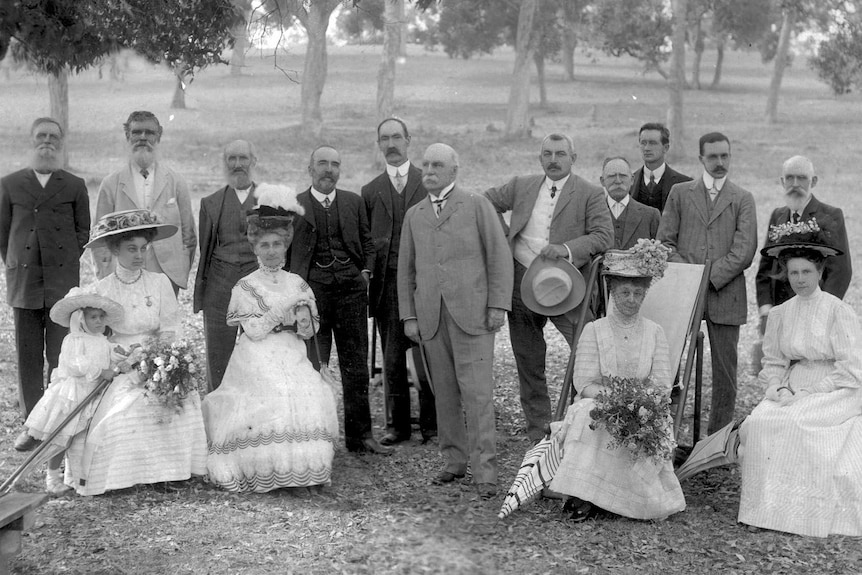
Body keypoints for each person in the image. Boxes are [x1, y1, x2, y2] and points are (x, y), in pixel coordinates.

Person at [203, 185, 339, 492]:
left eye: (278, 244)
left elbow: (310, 331)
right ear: (254, 247)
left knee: (306, 388)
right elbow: (252, 330)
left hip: (291, 350)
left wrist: (305, 322)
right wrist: (280, 310)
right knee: (273, 389)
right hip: (257, 353)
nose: (272, 251)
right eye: (265, 245)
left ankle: (304, 468)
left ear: (286, 245)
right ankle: (265, 467)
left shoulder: (298, 283)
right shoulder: (245, 286)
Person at [398, 143, 513, 499]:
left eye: (437, 165)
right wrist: (410, 315)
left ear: (454, 170)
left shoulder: (476, 205)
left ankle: (486, 471)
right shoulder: (415, 213)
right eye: (425, 165)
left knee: (477, 395)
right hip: (431, 318)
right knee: (444, 392)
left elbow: (499, 257)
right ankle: (454, 461)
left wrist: (497, 305)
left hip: (474, 316)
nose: (429, 171)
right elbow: (407, 270)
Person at [66, 209, 207, 495]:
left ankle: (170, 471)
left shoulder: (159, 283)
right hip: (121, 363)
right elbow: (94, 336)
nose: (139, 255)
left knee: (174, 400)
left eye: (144, 248)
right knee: (122, 414)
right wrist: (122, 359)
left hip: (159, 358)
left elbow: (170, 327)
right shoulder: (103, 289)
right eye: (131, 249)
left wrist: (163, 358)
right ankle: (124, 476)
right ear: (115, 249)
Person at [484, 133, 613, 443]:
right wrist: (505, 236)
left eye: (560, 154)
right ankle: (539, 427)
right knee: (528, 356)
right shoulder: (521, 185)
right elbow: (485, 201)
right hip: (521, 281)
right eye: (547, 154)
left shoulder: (589, 193)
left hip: (567, 285)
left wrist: (566, 248)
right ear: (540, 158)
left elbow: (603, 236)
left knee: (588, 350)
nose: (553, 160)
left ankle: (590, 422)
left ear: (573, 158)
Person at [738, 229, 862, 537]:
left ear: (820, 272)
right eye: (793, 272)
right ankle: (764, 509)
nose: (800, 279)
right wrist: (777, 387)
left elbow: (851, 369)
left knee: (796, 421)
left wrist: (811, 391)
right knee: (759, 422)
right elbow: (774, 362)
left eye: (807, 271)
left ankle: (800, 514)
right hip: (792, 384)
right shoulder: (781, 314)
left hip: (836, 388)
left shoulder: (839, 311)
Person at [549, 244, 685, 521]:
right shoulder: (594, 330)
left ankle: (624, 500)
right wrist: (615, 400)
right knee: (591, 416)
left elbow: (660, 383)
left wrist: (639, 402)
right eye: (625, 292)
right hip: (599, 399)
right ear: (612, 292)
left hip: (643, 405)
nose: (631, 299)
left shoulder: (654, 332)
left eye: (638, 293)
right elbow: (584, 382)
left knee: (647, 423)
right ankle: (585, 495)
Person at [289, 145, 391, 455]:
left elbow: (368, 244)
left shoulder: (353, 202)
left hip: (351, 292)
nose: (329, 169)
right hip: (312, 295)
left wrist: (365, 272)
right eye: (322, 163)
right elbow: (288, 252)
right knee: (311, 365)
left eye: (335, 164)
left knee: (356, 365)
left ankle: (361, 438)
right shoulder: (296, 205)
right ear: (311, 168)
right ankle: (313, 438)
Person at [0, 117, 90, 452]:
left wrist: (63, 262)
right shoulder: (10, 184)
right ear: (31, 140)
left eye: (53, 137)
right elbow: (3, 233)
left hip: (62, 282)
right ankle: (31, 423)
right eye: (41, 136)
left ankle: (55, 421)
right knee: (27, 354)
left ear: (62, 143)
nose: (47, 142)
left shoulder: (74, 184)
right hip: (24, 280)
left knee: (59, 353)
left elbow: (83, 232)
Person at [658, 132, 757, 434]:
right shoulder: (680, 193)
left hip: (725, 295)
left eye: (725, 156)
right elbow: (665, 242)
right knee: (669, 366)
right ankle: (661, 437)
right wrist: (688, 277)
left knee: (725, 374)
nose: (719, 163)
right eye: (713, 157)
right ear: (701, 158)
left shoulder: (742, 199)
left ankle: (716, 445)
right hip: (683, 295)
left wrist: (707, 279)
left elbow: (744, 251)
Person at [361, 117, 436, 445]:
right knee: (392, 357)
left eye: (396, 137)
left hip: (426, 283)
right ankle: (398, 426)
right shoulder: (370, 190)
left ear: (408, 141)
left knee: (429, 353)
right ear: (378, 145)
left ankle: (433, 425)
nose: (391, 144)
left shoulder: (428, 182)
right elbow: (366, 241)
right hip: (388, 285)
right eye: (384, 139)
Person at [24, 287, 125, 493]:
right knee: (62, 436)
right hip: (74, 394)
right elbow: (74, 366)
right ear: (80, 320)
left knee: (79, 437)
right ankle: (50, 476)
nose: (99, 321)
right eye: (93, 317)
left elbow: (110, 357)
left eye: (101, 317)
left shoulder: (102, 340)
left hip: (94, 393)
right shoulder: (74, 340)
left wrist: (120, 357)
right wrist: (100, 371)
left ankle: (79, 475)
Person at [92, 111, 196, 293]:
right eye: (137, 132)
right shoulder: (111, 183)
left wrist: (180, 270)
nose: (143, 137)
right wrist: (106, 276)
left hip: (166, 275)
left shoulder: (175, 181)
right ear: (127, 136)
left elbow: (189, 235)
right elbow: (99, 237)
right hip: (123, 275)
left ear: (159, 135)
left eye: (149, 132)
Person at [755, 155, 851, 332]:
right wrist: (766, 310)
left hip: (815, 314)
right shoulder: (778, 216)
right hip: (780, 312)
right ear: (782, 181)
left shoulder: (830, 215)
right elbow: (765, 269)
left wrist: (823, 312)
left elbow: (840, 271)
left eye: (801, 178)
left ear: (813, 181)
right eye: (790, 178)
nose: (795, 184)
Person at [194, 140, 261, 391]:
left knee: (257, 353)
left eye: (243, 158)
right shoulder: (210, 203)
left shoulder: (270, 199)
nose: (237, 165)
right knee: (217, 356)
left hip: (258, 286)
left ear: (253, 161)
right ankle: (217, 418)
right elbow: (205, 250)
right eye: (231, 159)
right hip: (219, 285)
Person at [630, 122, 692, 213]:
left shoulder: (684, 184)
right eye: (643, 143)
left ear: (665, 148)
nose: (647, 148)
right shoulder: (629, 182)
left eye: (652, 143)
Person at [601, 156, 660, 250]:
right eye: (611, 176)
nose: (618, 181)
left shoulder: (651, 216)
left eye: (623, 176)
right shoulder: (592, 213)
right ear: (602, 181)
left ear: (632, 180)